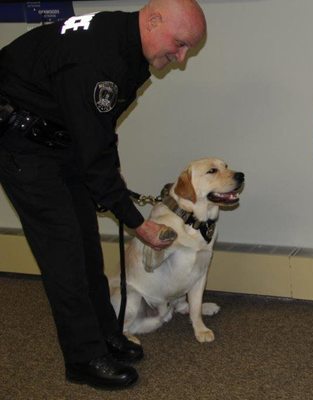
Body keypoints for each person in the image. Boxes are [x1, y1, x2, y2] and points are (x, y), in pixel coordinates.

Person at [0, 0, 206, 390]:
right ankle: (83, 357)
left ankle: (105, 335)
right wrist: (135, 222)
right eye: (179, 45)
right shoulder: (98, 59)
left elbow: (100, 129)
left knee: (86, 245)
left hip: (59, 138)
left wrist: (109, 177)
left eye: (187, 50)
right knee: (65, 254)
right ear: (154, 19)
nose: (180, 58)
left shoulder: (128, 46)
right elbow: (95, 153)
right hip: (21, 142)